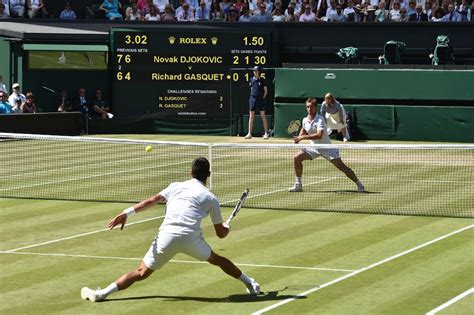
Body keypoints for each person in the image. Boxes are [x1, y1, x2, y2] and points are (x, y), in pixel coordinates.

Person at [80, 157, 260, 302]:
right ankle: (250, 283)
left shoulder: (175, 186)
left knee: (141, 272)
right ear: (209, 174)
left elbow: (152, 200)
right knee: (218, 260)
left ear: (190, 173)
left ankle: (102, 293)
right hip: (191, 239)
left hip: (166, 236)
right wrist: (227, 228)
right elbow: (221, 234)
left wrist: (126, 213)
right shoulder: (211, 197)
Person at [289, 98, 365, 193]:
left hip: (326, 148)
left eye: (311, 107)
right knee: (297, 158)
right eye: (307, 107)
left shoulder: (320, 119)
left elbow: (319, 135)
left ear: (315, 107)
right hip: (313, 147)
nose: (309, 109)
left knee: (342, 167)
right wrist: (298, 138)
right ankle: (298, 185)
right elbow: (304, 129)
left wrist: (303, 137)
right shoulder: (305, 120)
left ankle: (359, 184)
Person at [244, 66, 269, 140]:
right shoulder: (251, 80)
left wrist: (261, 98)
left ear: (259, 72)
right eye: (254, 71)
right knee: (251, 116)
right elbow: (251, 89)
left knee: (263, 116)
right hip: (252, 99)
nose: (255, 72)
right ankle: (249, 134)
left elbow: (266, 91)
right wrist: (253, 97)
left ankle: (266, 133)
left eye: (256, 71)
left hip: (260, 99)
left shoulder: (262, 80)